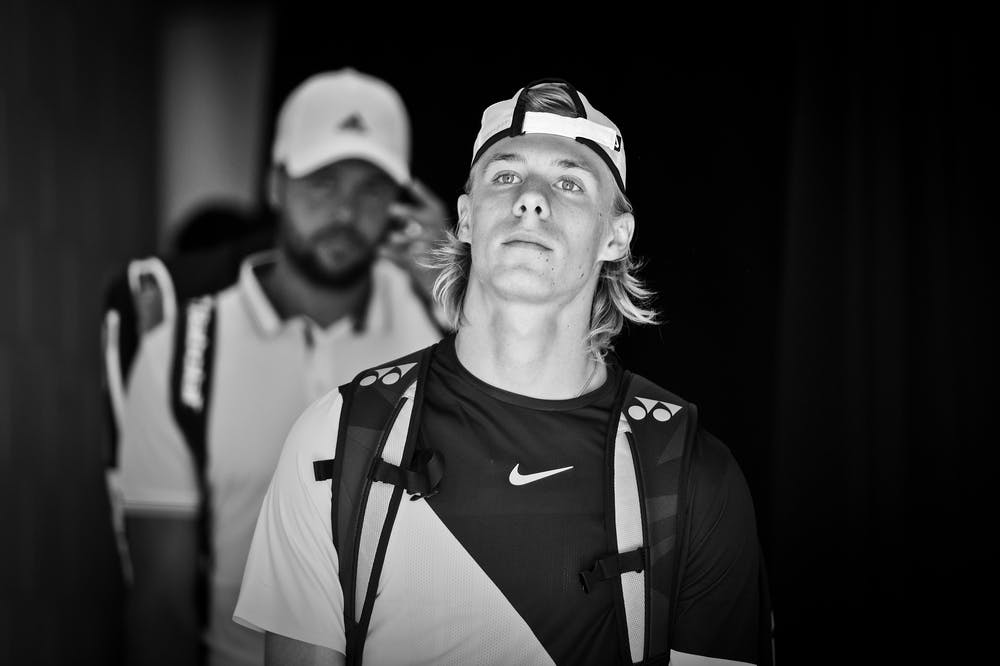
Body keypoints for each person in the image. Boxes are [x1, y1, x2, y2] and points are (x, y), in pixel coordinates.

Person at [234, 80, 770, 665]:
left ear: (615, 235)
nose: (531, 200)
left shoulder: (691, 474)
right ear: (465, 218)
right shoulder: (334, 440)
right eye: (505, 176)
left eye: (569, 182)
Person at [117, 68, 447, 666]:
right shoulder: (184, 350)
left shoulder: (443, 322)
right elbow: (161, 602)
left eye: (371, 188)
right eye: (322, 182)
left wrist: (459, 287)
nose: (346, 210)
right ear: (274, 184)